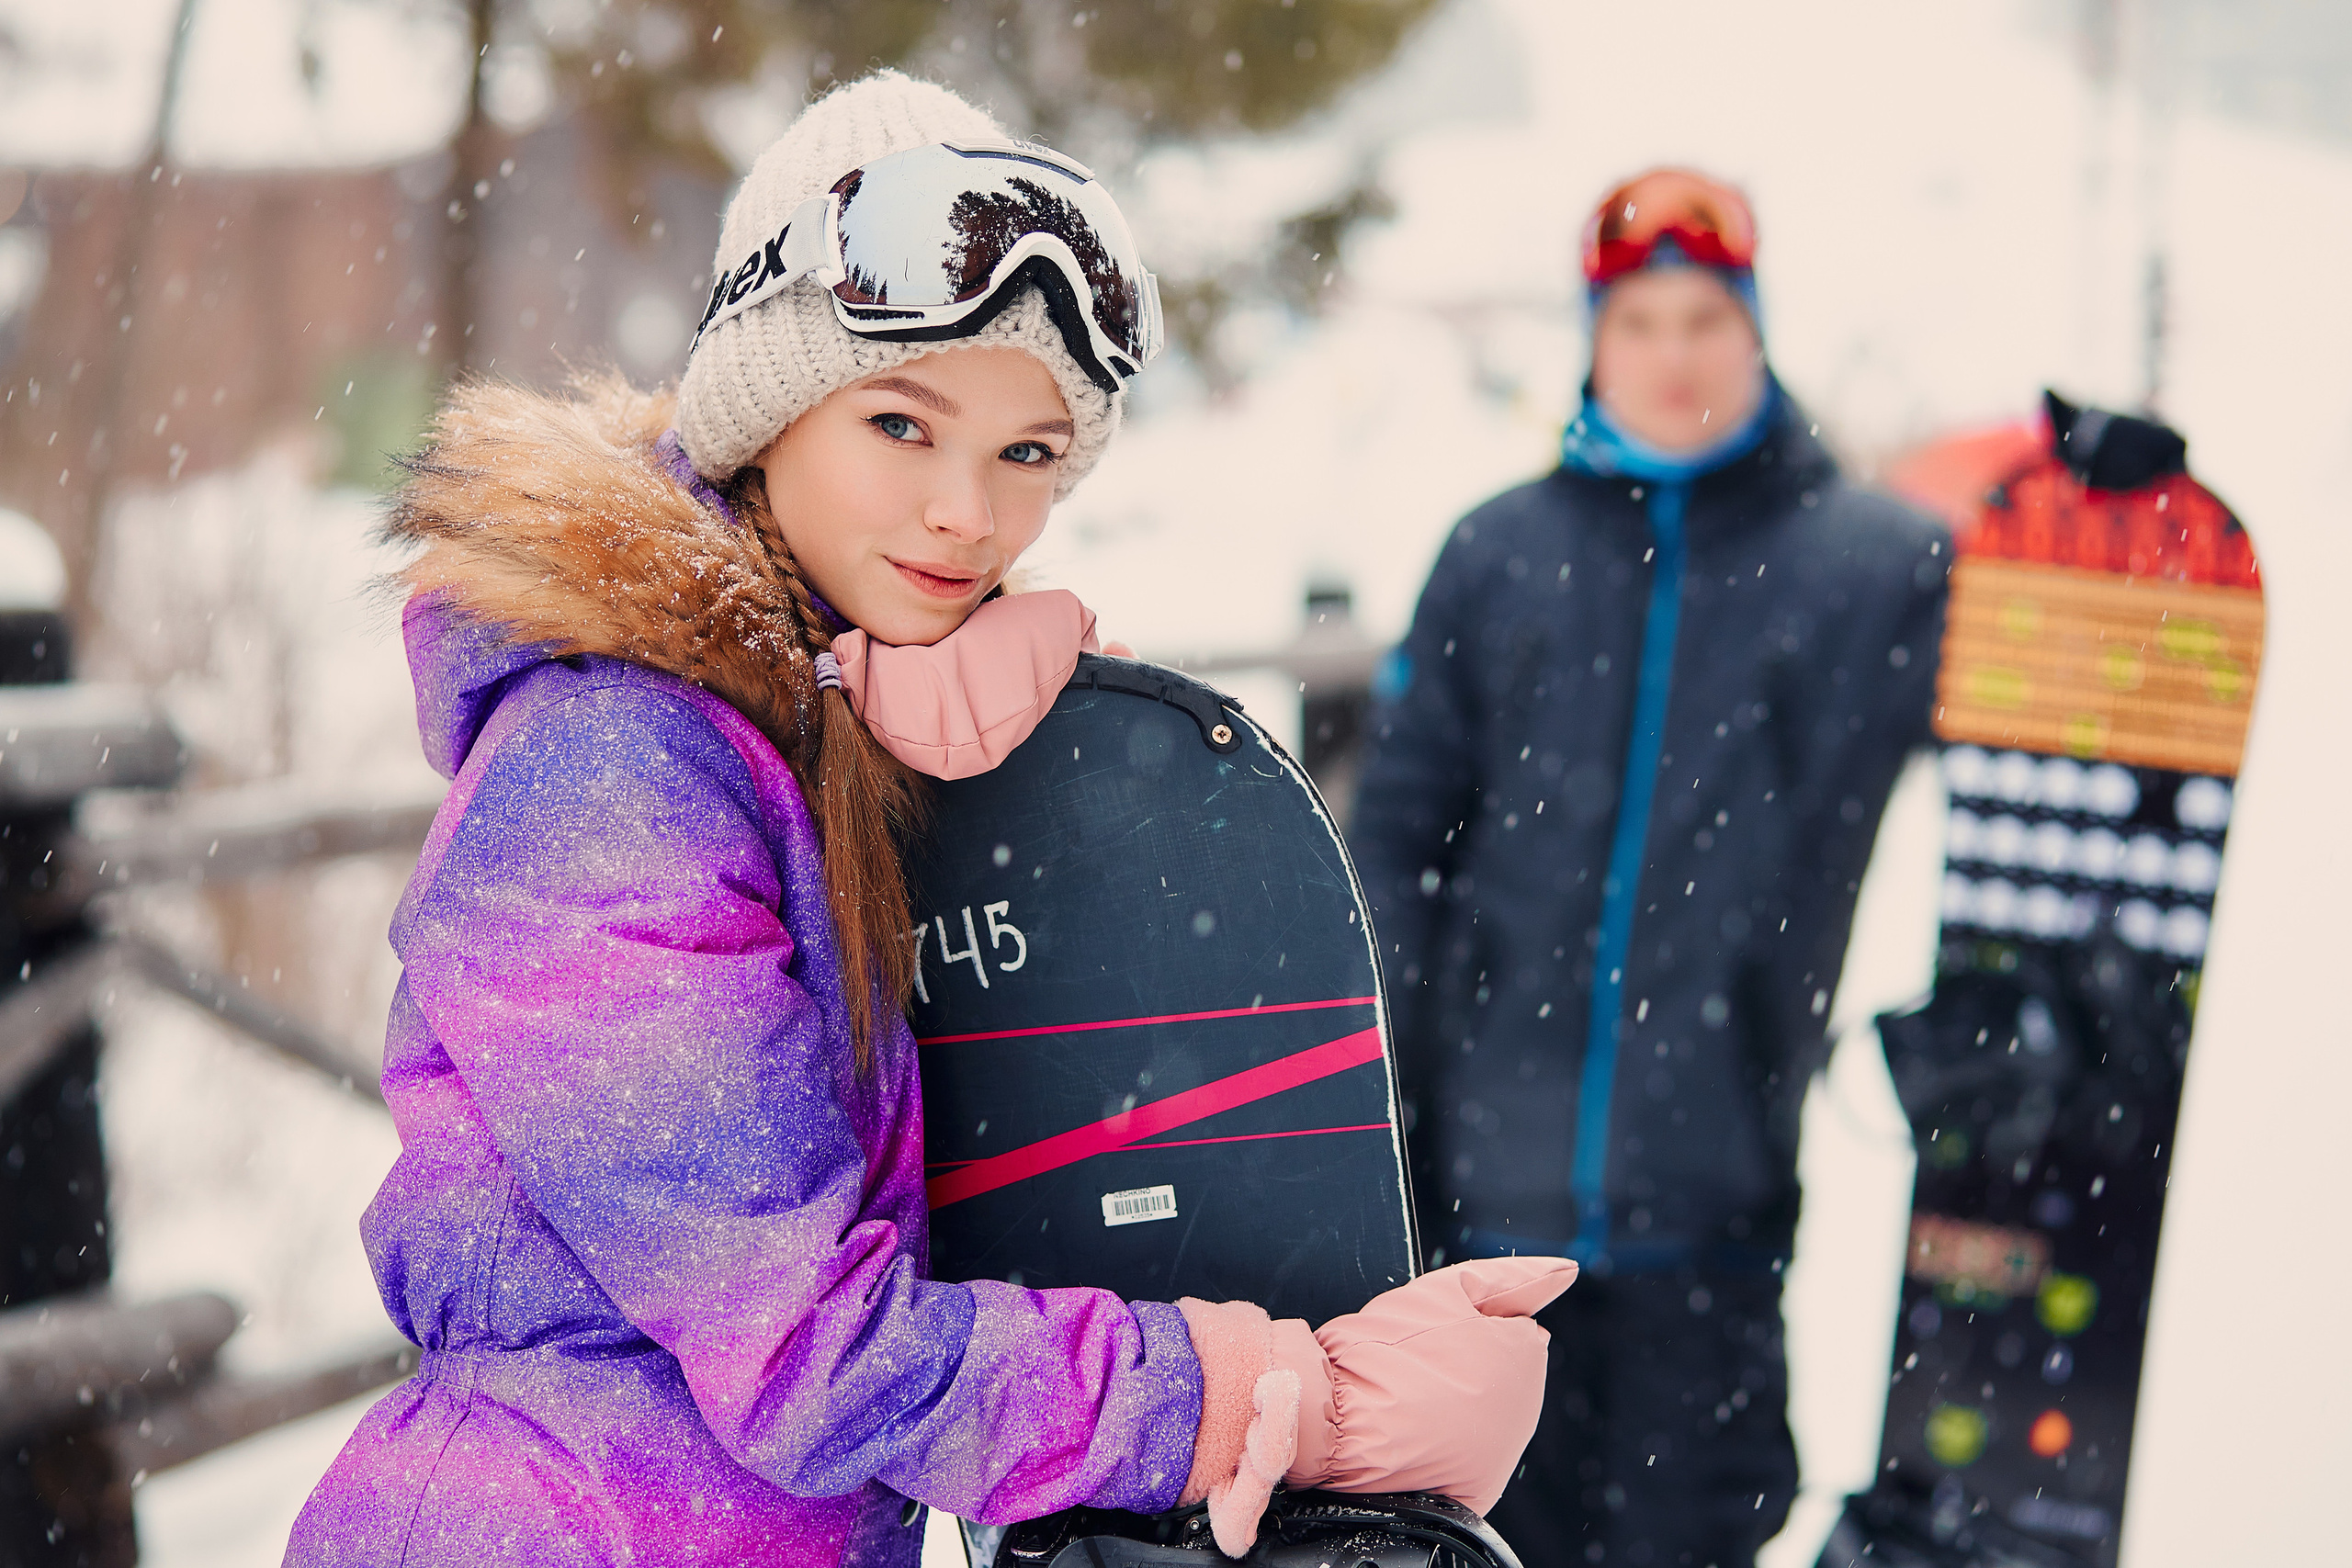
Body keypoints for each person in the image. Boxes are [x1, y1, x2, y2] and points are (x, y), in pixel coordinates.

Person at [285, 73, 1573, 1567]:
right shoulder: (606, 764)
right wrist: (1275, 1397)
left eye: (1028, 455)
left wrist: (970, 778)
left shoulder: (792, 727)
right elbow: (805, 1354)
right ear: (767, 410)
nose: (972, 513)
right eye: (904, 423)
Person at [1350, 168, 1948, 1567]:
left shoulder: (1870, 567)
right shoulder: (1499, 555)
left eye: (1703, 319)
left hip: (1716, 1205)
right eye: (1640, 323)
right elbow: (1394, 854)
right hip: (1492, 1229)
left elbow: (2036, 719)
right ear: (1593, 340)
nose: (1674, 357)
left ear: (1755, 331)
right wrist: (1382, 1128)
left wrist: (2102, 529)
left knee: (1702, 1532)